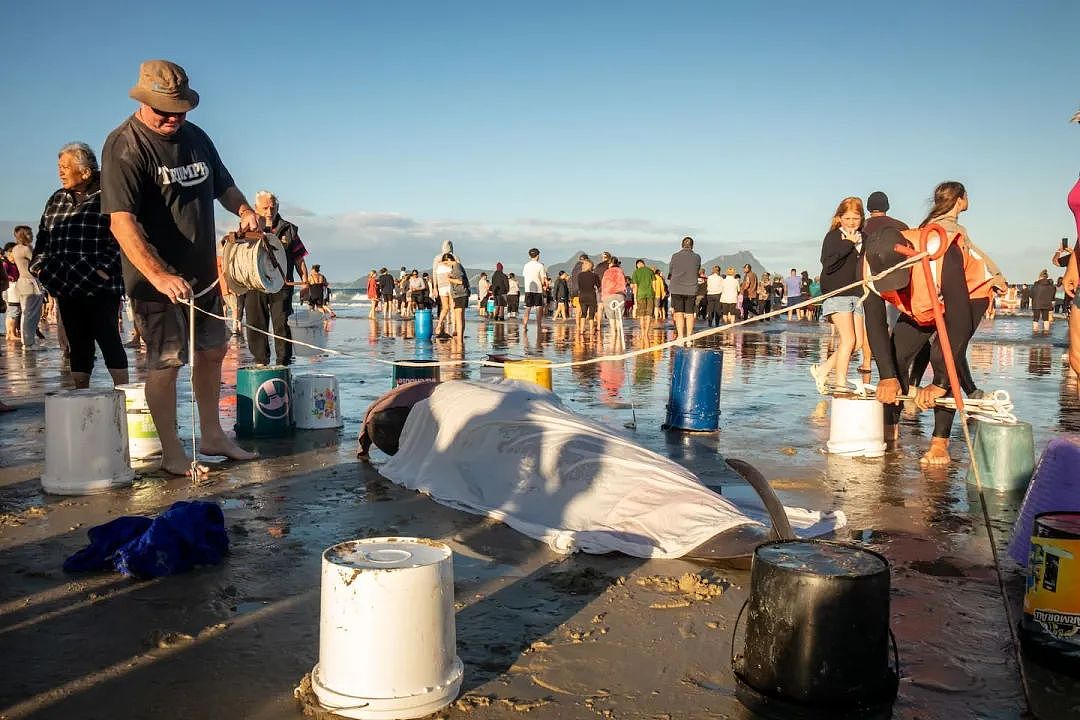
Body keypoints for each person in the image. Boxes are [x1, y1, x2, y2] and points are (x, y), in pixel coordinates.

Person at [101, 58, 257, 476]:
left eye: (180, 111)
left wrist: (243, 210)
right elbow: (121, 221)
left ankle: (212, 435)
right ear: (143, 103)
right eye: (163, 111)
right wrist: (158, 274)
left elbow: (223, 184)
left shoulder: (197, 137)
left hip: (204, 276)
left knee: (212, 350)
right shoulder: (124, 145)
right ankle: (172, 452)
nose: (173, 118)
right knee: (166, 362)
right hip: (154, 281)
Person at [863, 181, 997, 466]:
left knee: (943, 355)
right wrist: (886, 375)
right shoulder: (868, 265)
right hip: (922, 301)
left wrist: (938, 383)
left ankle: (940, 442)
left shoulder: (942, 252)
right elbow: (875, 325)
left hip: (969, 293)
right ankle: (889, 431)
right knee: (894, 357)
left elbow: (957, 322)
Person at [33, 142, 128, 387]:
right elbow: (43, 236)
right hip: (65, 284)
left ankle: (124, 396)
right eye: (59, 167)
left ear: (85, 171)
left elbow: (124, 236)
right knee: (78, 342)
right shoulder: (56, 198)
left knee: (109, 338)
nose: (60, 172)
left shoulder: (110, 194)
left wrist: (105, 270)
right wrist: (40, 267)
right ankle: (81, 396)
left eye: (65, 167)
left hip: (101, 286)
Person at [244, 190, 309, 364]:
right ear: (256, 208)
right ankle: (260, 361)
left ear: (277, 207)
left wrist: (305, 282)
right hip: (254, 284)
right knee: (256, 323)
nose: (269, 211)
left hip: (282, 283)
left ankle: (283, 362)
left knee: (282, 324)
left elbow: (299, 257)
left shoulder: (288, 229)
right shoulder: (246, 228)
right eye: (264, 208)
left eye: (272, 207)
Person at [810, 197, 867, 394]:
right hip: (838, 293)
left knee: (858, 342)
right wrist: (848, 244)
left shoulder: (864, 238)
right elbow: (828, 264)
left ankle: (824, 369)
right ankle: (841, 381)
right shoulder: (834, 237)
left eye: (856, 218)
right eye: (848, 218)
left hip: (858, 294)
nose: (852, 222)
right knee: (848, 339)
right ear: (839, 218)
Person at [10, 226, 43, 348]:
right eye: (29, 233)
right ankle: (28, 342)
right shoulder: (26, 248)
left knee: (26, 313)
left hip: (22, 283)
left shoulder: (15, 249)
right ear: (23, 235)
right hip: (30, 283)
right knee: (32, 314)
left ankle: (27, 341)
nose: (32, 235)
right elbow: (37, 262)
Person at [668, 237, 701, 344]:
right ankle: (689, 336)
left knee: (679, 313)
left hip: (677, 287)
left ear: (682, 245)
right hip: (691, 288)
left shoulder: (675, 256)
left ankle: (681, 336)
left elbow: (671, 271)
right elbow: (697, 270)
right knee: (689, 313)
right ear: (692, 245)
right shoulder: (697, 257)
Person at [600, 257, 626, 347]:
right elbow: (623, 283)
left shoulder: (606, 272)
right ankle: (619, 344)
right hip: (619, 295)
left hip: (608, 295)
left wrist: (603, 297)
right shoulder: (620, 271)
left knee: (611, 319)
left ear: (610, 263)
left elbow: (604, 284)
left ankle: (613, 343)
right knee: (619, 318)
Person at [521, 248, 548, 333]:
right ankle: (539, 327)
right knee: (538, 308)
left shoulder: (526, 265)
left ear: (529, 256)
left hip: (528, 289)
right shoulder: (540, 265)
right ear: (538, 255)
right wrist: (545, 286)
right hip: (538, 289)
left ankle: (524, 326)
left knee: (527, 309)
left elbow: (525, 276)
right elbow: (543, 278)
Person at [443, 253, 468, 341]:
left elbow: (460, 281)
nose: (447, 265)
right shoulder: (457, 266)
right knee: (461, 317)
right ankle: (460, 337)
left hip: (459, 294)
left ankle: (459, 338)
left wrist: (449, 279)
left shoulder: (456, 266)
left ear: (449, 260)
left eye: (446, 263)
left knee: (459, 317)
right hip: (462, 294)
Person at [629, 258, 655, 339]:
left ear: (637, 265)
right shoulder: (650, 271)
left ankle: (643, 332)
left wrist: (635, 299)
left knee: (641, 314)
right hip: (650, 294)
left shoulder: (636, 272)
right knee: (648, 314)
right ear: (643, 264)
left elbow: (635, 287)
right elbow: (654, 284)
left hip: (640, 295)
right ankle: (646, 332)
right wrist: (653, 294)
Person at [576, 259, 600, 337]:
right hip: (591, 296)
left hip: (582, 296)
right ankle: (591, 330)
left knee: (583, 313)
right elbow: (599, 286)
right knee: (591, 314)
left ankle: (582, 329)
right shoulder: (594, 275)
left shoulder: (580, 275)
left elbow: (579, 286)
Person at [3, 243, 20, 342]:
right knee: (13, 312)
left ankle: (9, 333)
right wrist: (11, 278)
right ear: (9, 253)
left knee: (11, 312)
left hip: (12, 289)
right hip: (10, 290)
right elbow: (3, 276)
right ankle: (11, 334)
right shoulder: (6, 264)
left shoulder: (13, 264)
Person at [1031, 269, 1055, 334]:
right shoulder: (1051, 286)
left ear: (1040, 277)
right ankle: (1046, 331)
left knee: (1036, 318)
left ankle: (1035, 331)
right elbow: (1052, 296)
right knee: (1046, 318)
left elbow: (1031, 295)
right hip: (1047, 303)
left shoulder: (1036, 285)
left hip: (1036, 303)